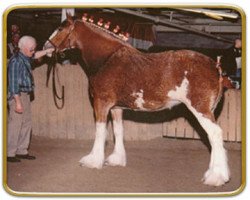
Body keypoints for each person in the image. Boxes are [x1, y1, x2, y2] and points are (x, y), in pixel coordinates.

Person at [7, 35, 55, 162]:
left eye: (33, 49)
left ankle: (22, 150)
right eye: (31, 49)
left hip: (26, 95)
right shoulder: (16, 61)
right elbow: (13, 84)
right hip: (17, 95)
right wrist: (17, 102)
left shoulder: (26, 56)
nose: (33, 51)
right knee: (15, 124)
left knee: (26, 122)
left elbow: (35, 55)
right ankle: (9, 153)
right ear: (23, 48)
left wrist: (47, 51)